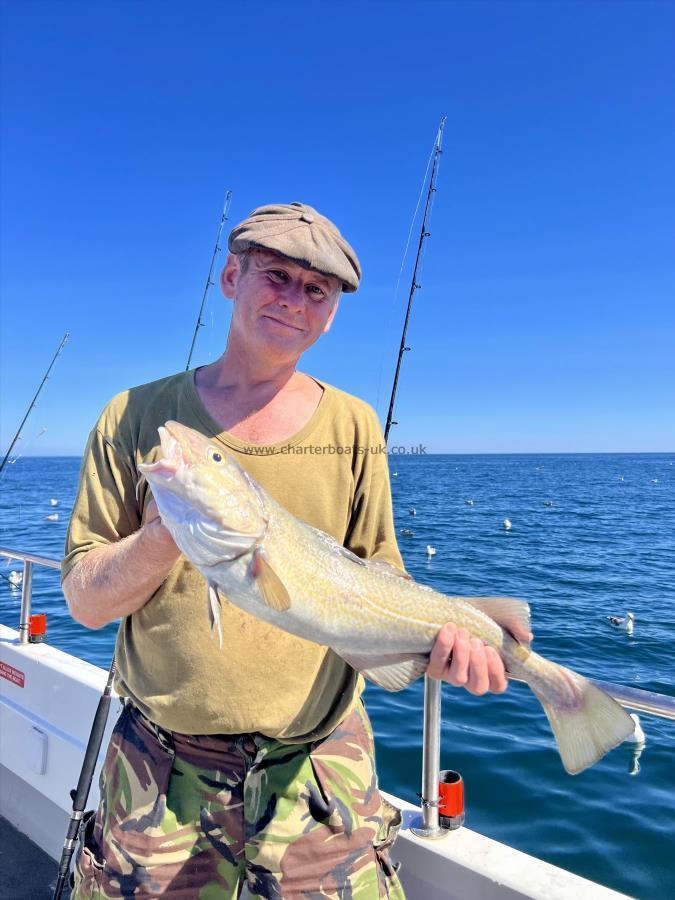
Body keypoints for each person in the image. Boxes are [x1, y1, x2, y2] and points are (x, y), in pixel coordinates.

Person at [63, 202, 527, 899]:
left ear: (332, 312)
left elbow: (380, 578)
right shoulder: (133, 416)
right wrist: (168, 533)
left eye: (316, 290)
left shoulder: (354, 425)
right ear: (229, 277)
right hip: (160, 760)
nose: (293, 300)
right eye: (274, 275)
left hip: (320, 756)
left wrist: (442, 644)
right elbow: (83, 601)